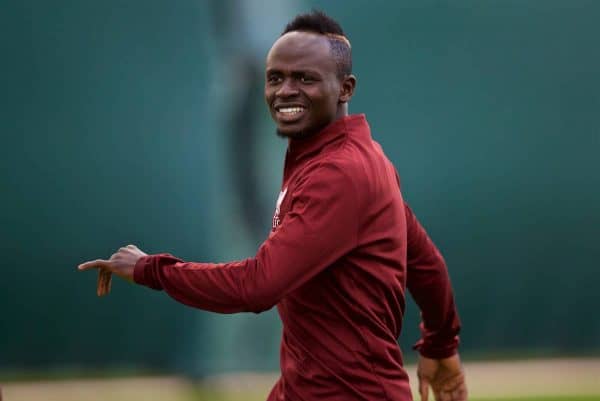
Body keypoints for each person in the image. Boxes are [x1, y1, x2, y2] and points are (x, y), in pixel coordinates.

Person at [79, 10, 467, 401]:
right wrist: (440, 346)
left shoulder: (341, 173)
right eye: (275, 77)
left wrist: (150, 268)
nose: (285, 90)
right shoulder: (342, 160)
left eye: (305, 78)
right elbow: (425, 264)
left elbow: (257, 286)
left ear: (345, 88)